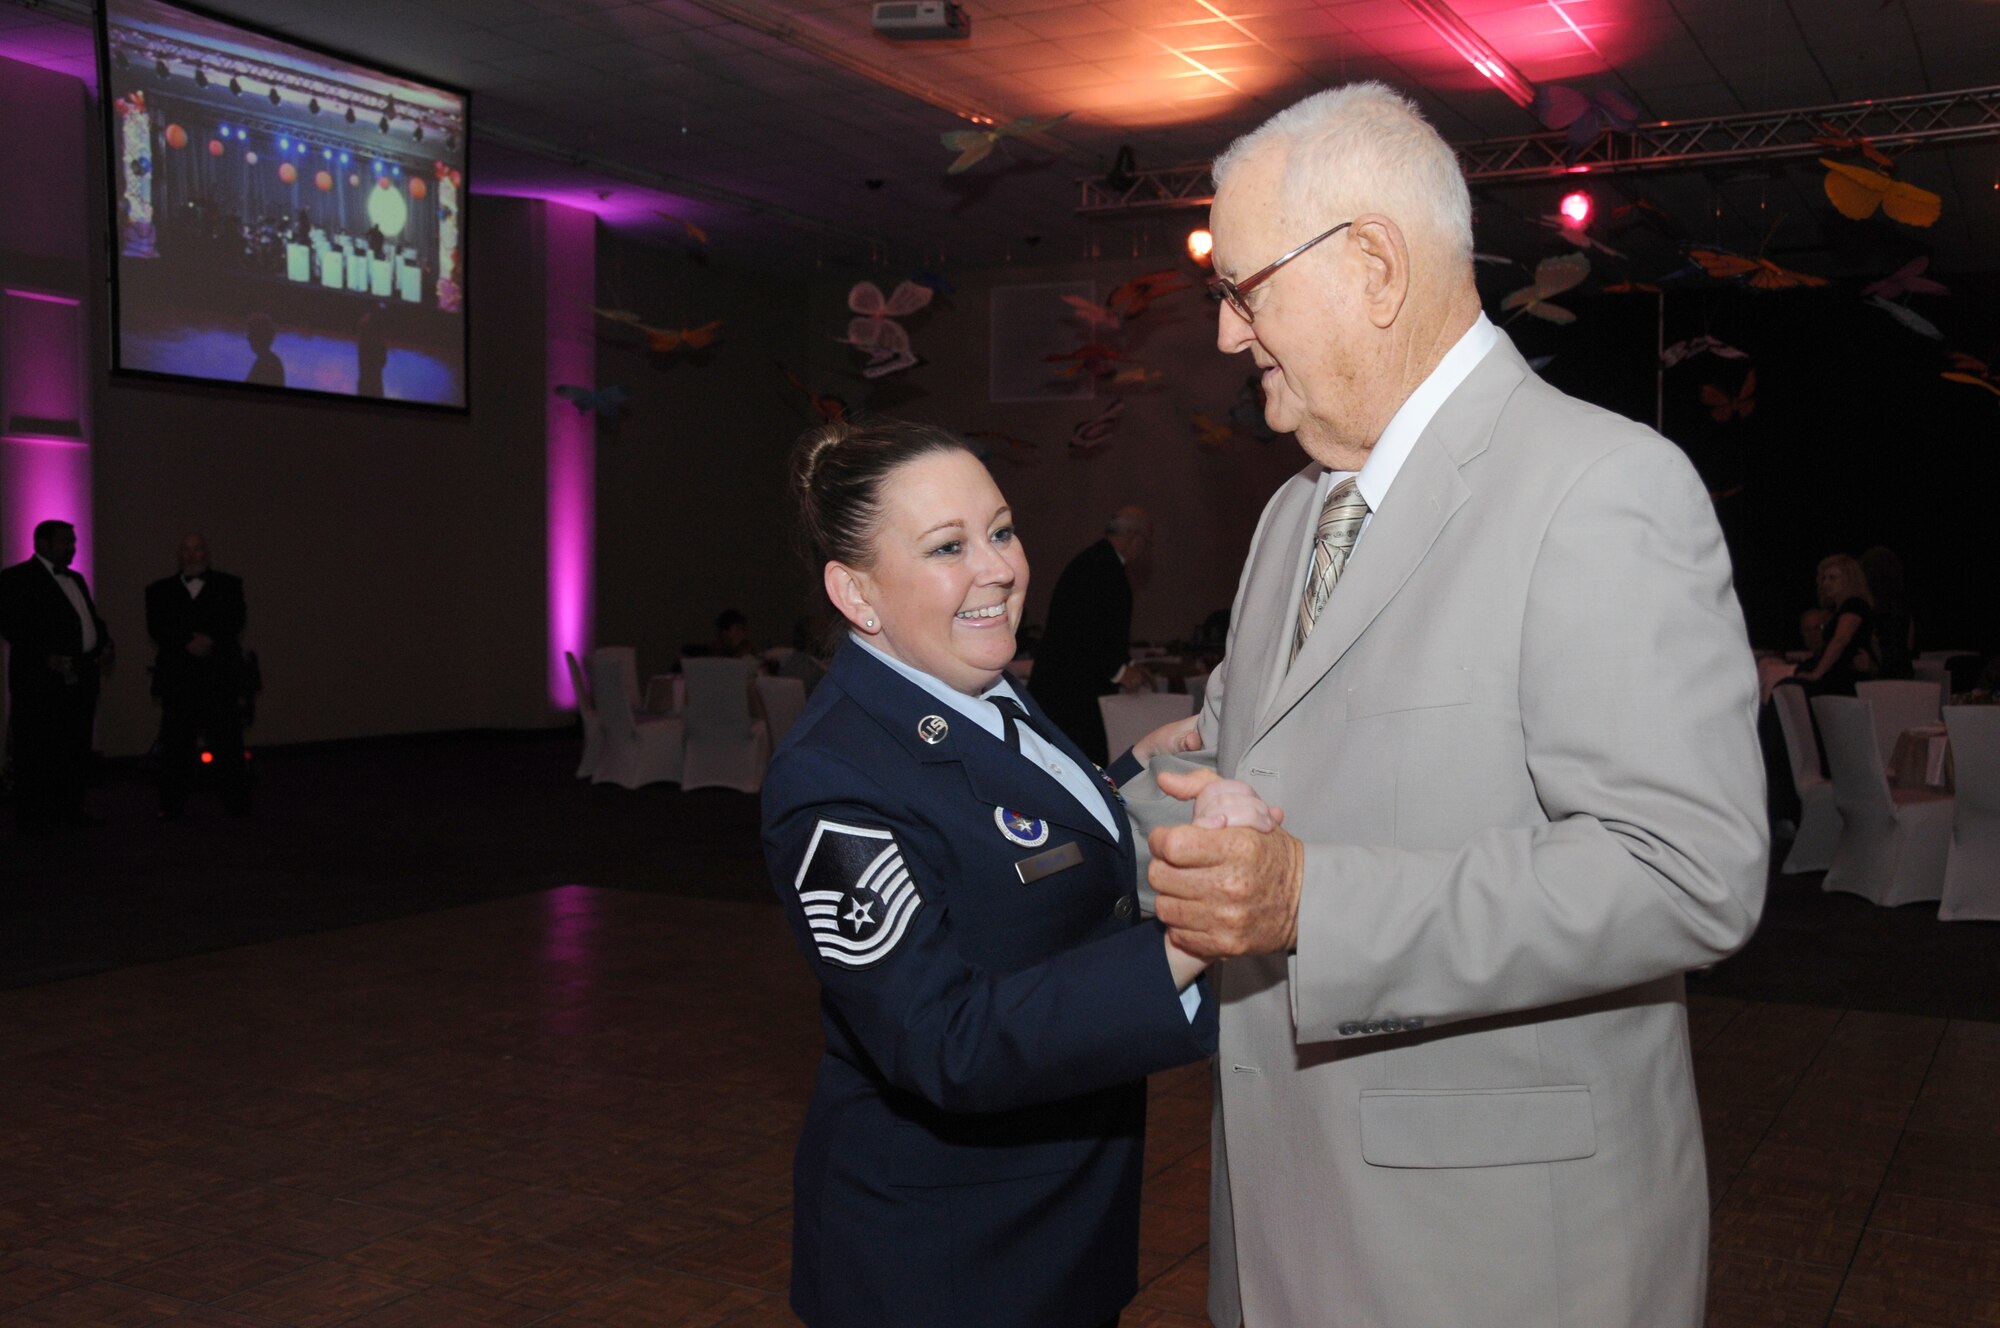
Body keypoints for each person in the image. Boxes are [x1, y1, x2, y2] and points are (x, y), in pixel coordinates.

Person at [1118, 83, 1768, 1327]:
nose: (1223, 335)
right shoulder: (1290, 515)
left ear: (1370, 264)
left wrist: (1313, 899)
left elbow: (1687, 870)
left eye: (1241, 290)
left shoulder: (1601, 486)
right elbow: (1266, 752)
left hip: (1488, 1257)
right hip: (1281, 1217)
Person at [761, 419, 1216, 1328]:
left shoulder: (985, 687)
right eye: (946, 547)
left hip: (1057, 1216)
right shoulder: (833, 780)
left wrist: (1130, 784)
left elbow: (1007, 843)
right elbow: (941, 1040)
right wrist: (1194, 938)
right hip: (950, 1261)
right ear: (856, 593)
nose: (1000, 569)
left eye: (1001, 531)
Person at [0, 520, 113, 834]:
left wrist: (104, 642)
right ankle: (36, 819)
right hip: (41, 683)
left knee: (75, 747)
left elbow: (89, 619)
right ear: (42, 544)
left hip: (80, 679)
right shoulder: (16, 579)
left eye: (73, 541)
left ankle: (70, 811)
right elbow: (12, 625)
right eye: (66, 541)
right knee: (39, 749)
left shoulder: (76, 578)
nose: (73, 547)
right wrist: (45, 657)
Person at [1028, 507, 1153, 764]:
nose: (1145, 548)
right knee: (1081, 765)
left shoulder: (1095, 561)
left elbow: (1098, 629)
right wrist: (1120, 671)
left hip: (1066, 690)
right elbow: (1086, 633)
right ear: (1134, 538)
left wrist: (1127, 664)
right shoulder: (1104, 568)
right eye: (1146, 540)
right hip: (1072, 697)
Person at [145, 533, 249, 818]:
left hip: (219, 678)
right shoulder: (158, 590)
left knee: (227, 743)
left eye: (198, 549)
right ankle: (172, 805)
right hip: (179, 680)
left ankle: (236, 804)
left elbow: (234, 620)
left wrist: (210, 640)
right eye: (187, 550)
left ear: (207, 553)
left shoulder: (230, 585)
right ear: (179, 556)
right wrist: (185, 642)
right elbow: (158, 627)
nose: (193, 555)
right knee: (176, 745)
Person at [1791, 553, 1875, 696]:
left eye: (1832, 578)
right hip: (1838, 677)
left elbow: (1841, 640)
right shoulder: (1840, 609)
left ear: (1848, 580)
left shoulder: (1854, 605)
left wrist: (1816, 674)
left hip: (1844, 679)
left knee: (1792, 690)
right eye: (1823, 578)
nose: (1826, 583)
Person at [1860, 545, 1914, 679]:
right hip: (1902, 672)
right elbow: (1909, 643)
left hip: (1880, 676)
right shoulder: (1901, 605)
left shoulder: (1868, 607)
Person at [244, 313, 284, 388]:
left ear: (260, 336)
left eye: (251, 334)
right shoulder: (269, 360)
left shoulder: (267, 362)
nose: (248, 338)